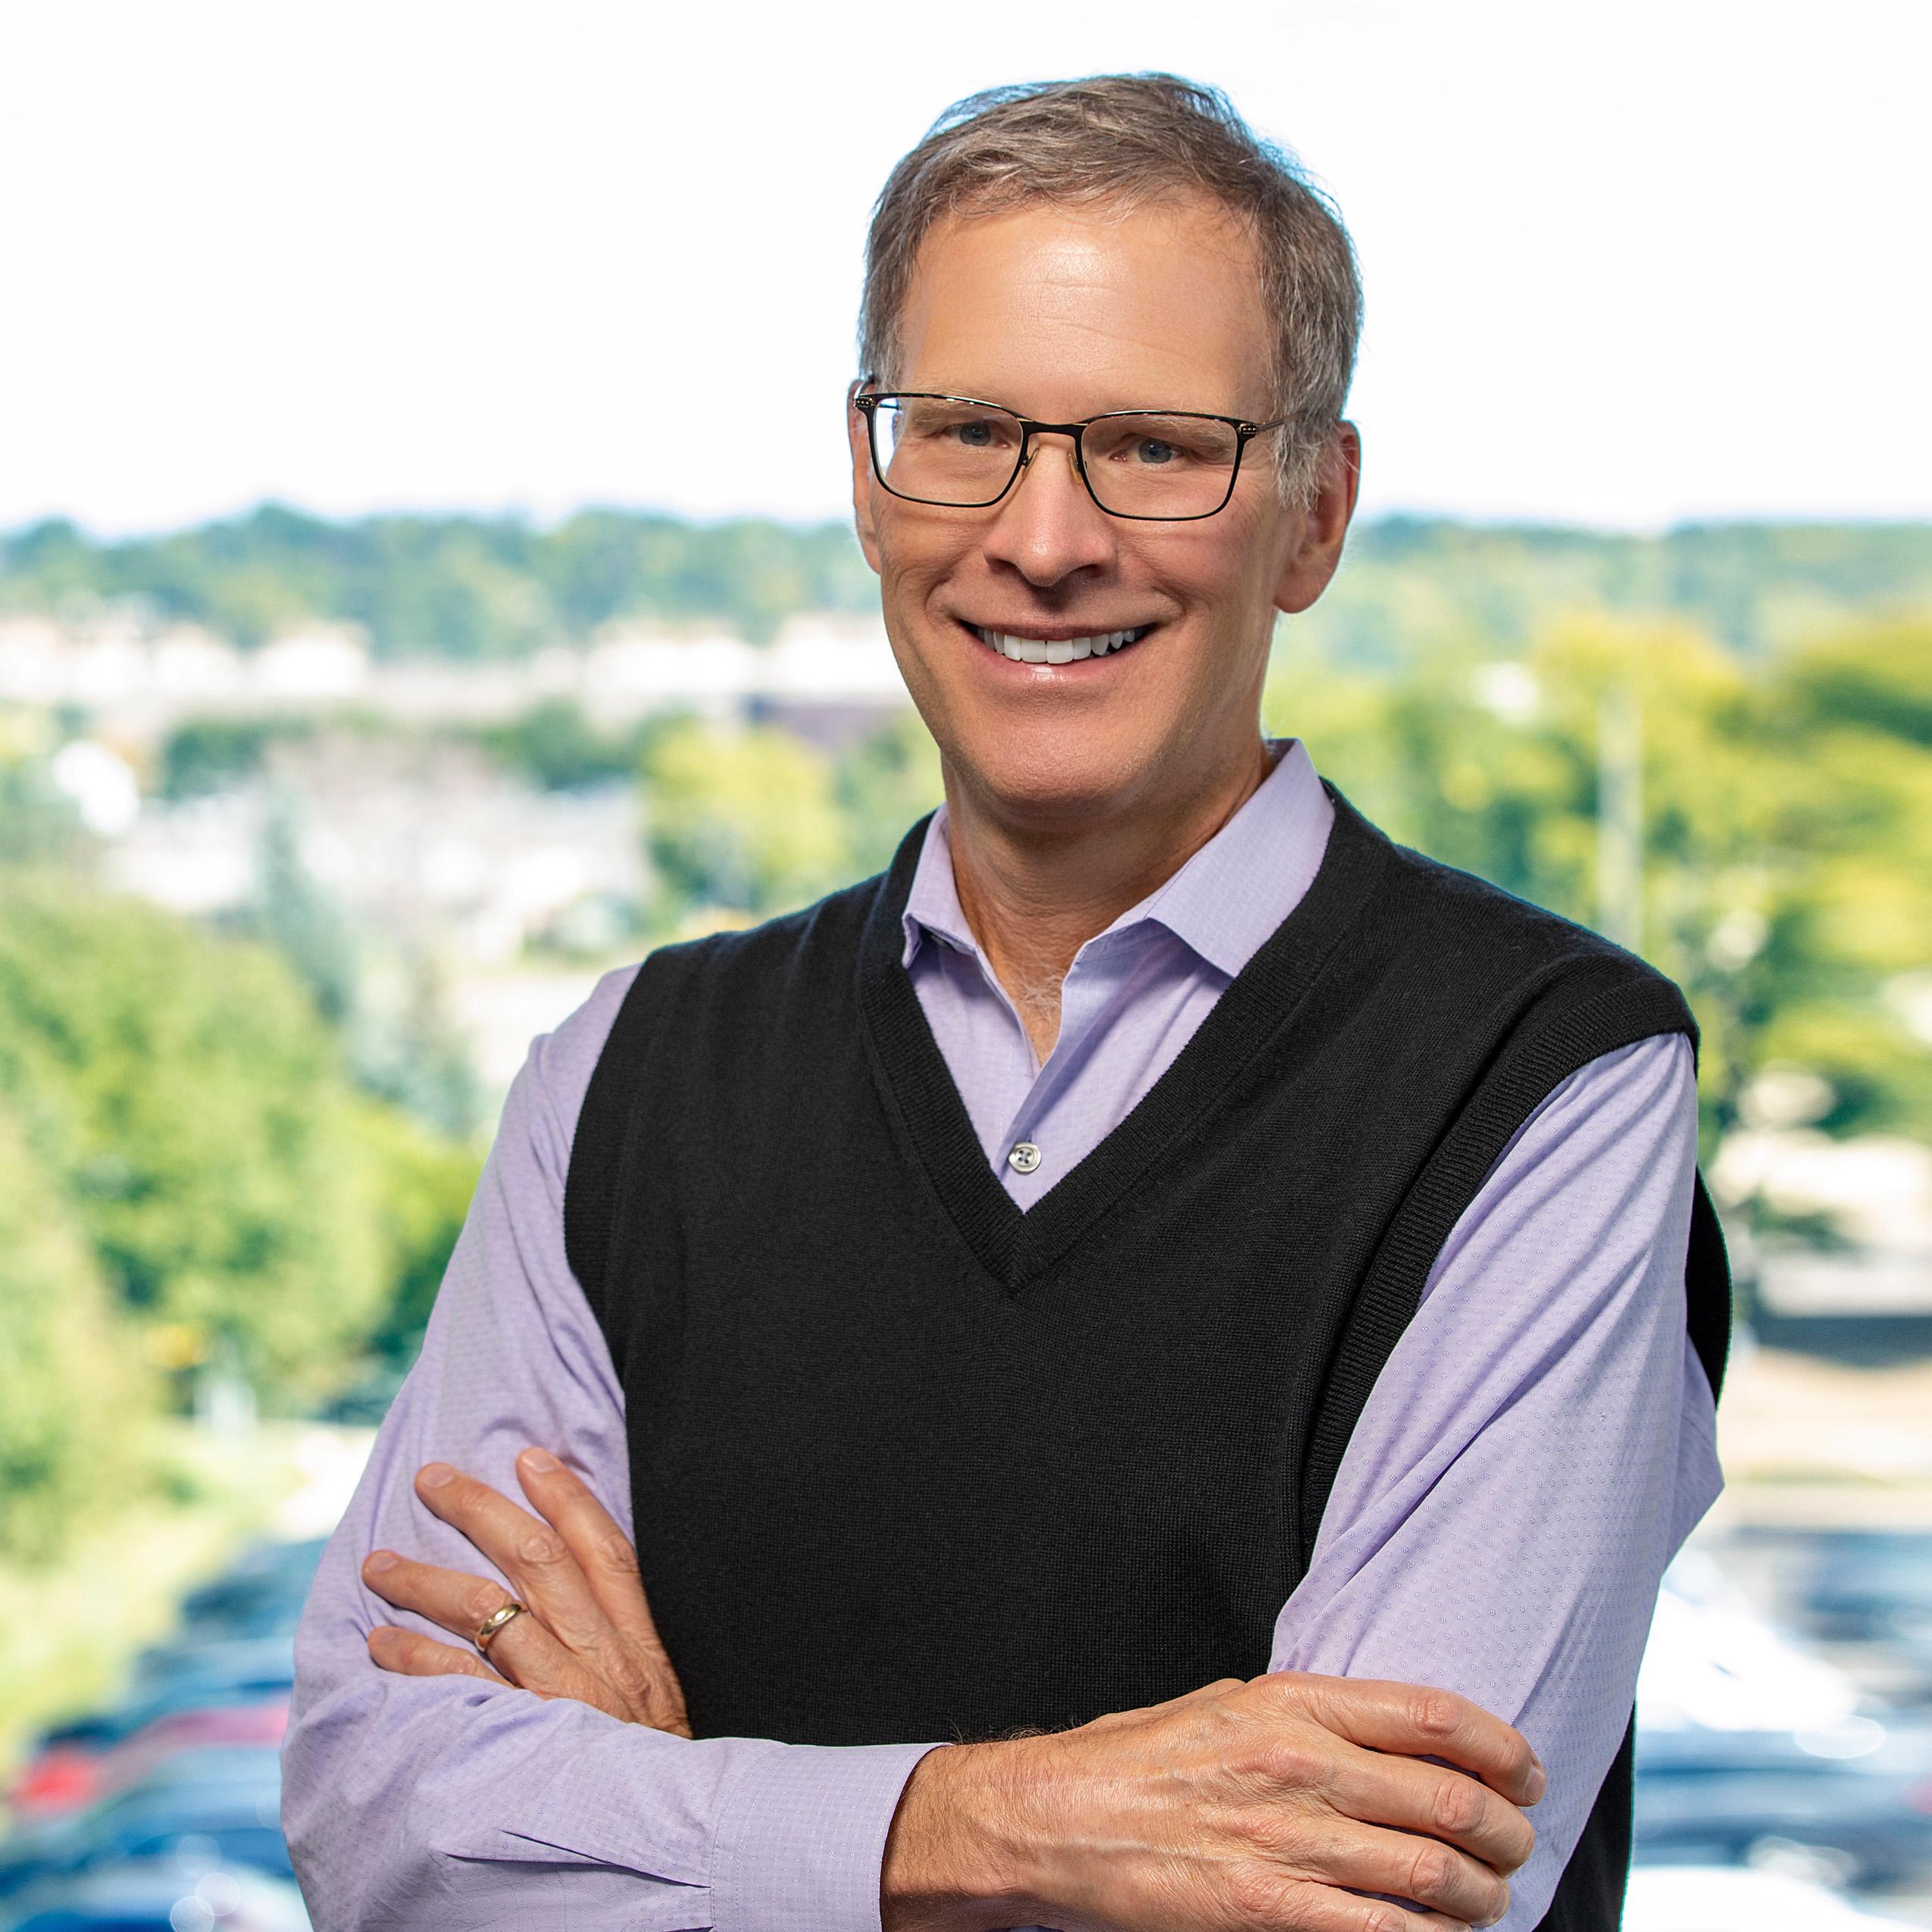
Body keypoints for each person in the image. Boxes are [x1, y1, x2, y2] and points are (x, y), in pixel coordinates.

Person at [282, 73, 1727, 1932]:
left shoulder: (1549, 1088)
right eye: (962, 431)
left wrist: (661, 1807)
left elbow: (1376, 1910)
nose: (1043, 539)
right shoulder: (624, 1083)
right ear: (870, 483)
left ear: (1313, 513)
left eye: (1153, 446)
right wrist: (1000, 1829)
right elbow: (384, 1830)